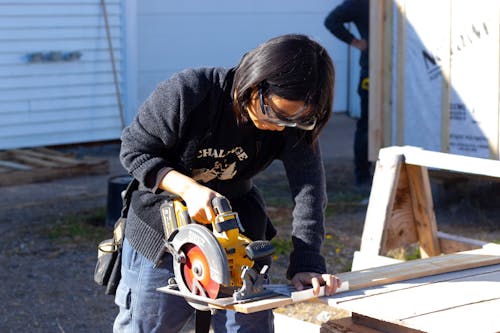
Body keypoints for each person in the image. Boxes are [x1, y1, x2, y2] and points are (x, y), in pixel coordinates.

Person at [114, 34, 341, 333]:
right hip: (162, 231)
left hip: (238, 233)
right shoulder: (191, 91)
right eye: (275, 113)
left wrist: (307, 261)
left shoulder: (293, 120)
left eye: (295, 120)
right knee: (148, 326)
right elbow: (134, 149)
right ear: (255, 83)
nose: (280, 126)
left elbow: (309, 190)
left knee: (247, 327)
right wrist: (188, 189)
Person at [325, 0, 372, 188]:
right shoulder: (364, 3)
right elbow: (331, 21)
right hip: (371, 72)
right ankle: (363, 177)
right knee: (367, 125)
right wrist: (357, 42)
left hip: (400, 73)